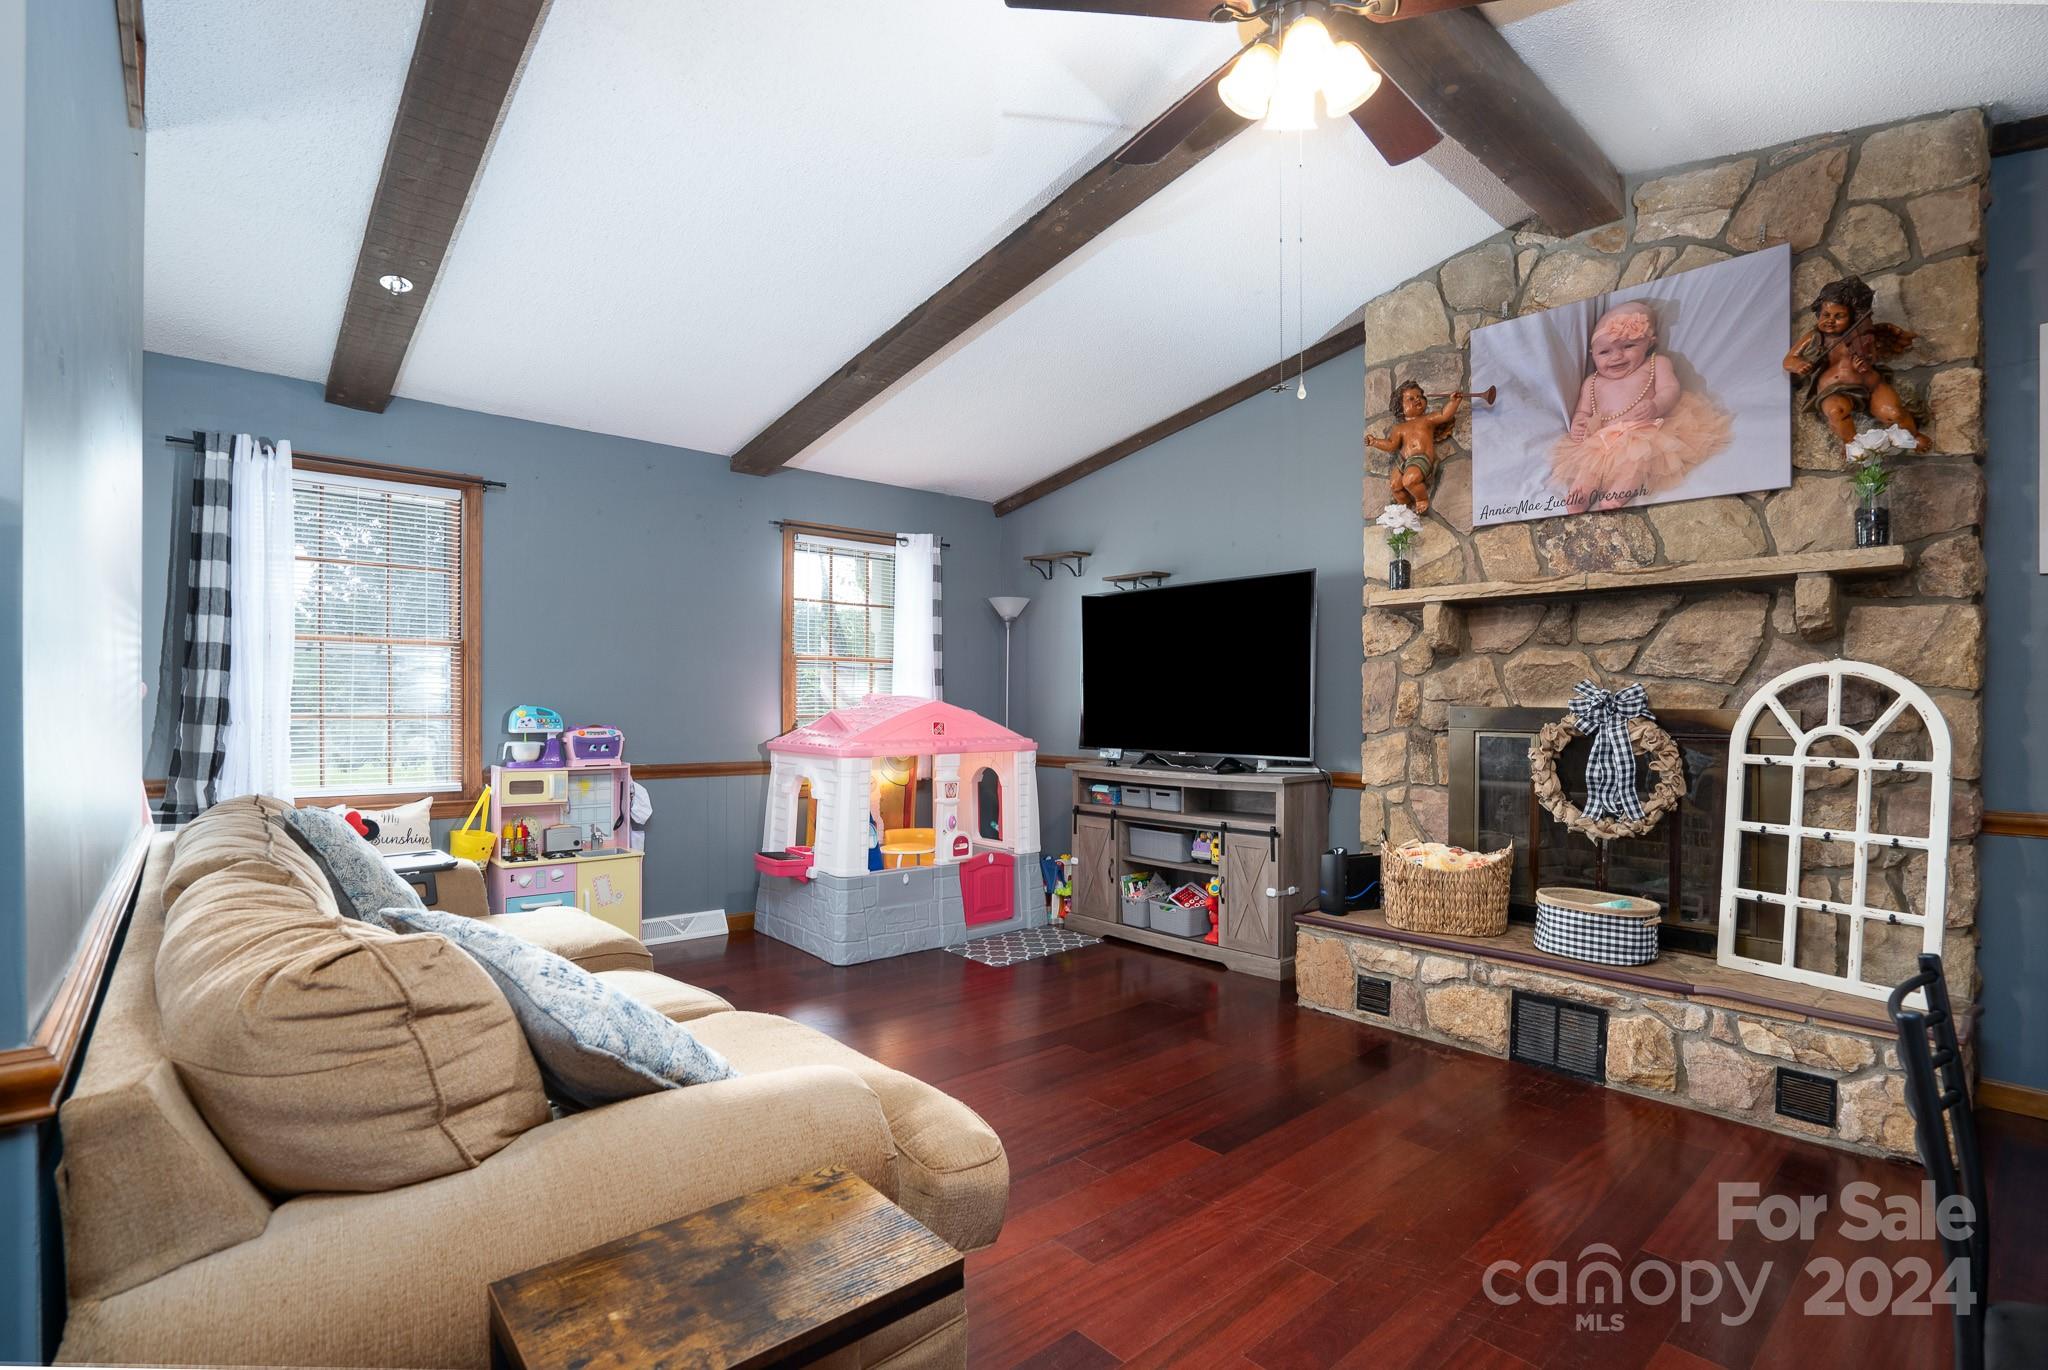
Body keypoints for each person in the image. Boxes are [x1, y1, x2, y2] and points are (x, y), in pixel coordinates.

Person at [1549, 300, 1731, 512]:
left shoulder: (1656, 364)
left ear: (1650, 342)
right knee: (1589, 469)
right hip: (1601, 439)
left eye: (1628, 346)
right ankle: (1581, 496)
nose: (1616, 356)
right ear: (1592, 354)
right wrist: (1579, 423)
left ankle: (1615, 497)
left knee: (1636, 463)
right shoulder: (1592, 381)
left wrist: (1655, 405)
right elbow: (1583, 411)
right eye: (1604, 352)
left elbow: (1670, 390)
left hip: (1643, 432)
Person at [1784, 276, 1929, 449]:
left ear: (1853, 316)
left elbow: (1873, 357)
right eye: (1826, 315)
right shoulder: (1815, 337)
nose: (1830, 320)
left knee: (1895, 413)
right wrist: (1799, 364)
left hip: (1871, 384)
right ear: (1818, 314)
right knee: (1836, 412)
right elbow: (1788, 360)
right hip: (1834, 389)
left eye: (1839, 316)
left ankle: (1913, 435)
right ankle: (1851, 445)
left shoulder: (1864, 335)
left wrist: (1866, 364)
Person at [1367, 380, 1462, 514]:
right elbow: (1391, 445)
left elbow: (1444, 415)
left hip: (1421, 458)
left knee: (1409, 480)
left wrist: (1454, 402)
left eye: (1419, 397)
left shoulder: (1427, 419)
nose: (1417, 400)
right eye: (1411, 398)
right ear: (1401, 407)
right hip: (1403, 460)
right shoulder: (1399, 428)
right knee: (1395, 485)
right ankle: (1405, 506)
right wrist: (1374, 442)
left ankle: (1421, 499)